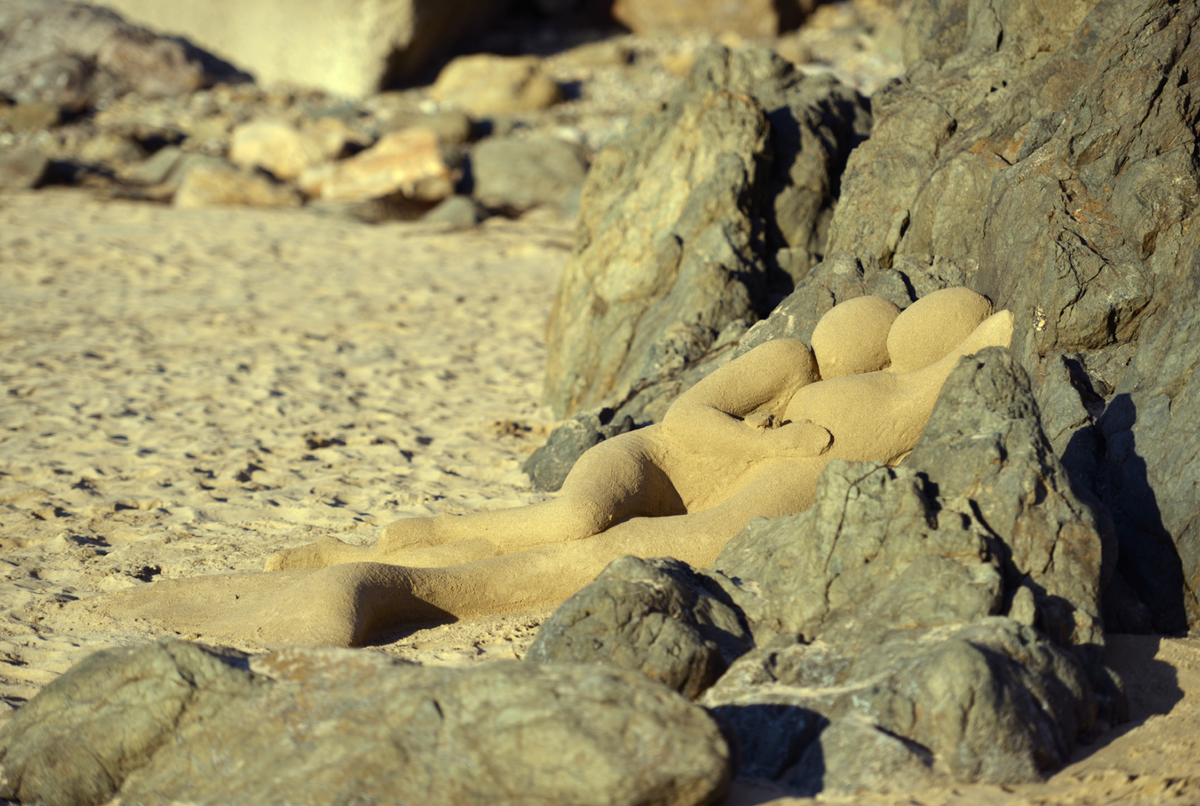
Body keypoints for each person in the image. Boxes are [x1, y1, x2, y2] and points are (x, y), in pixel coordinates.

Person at [106, 288, 1012, 648]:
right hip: (655, 459)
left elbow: (960, 362)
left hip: (715, 499)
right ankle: (396, 554)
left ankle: (390, 570)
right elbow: (687, 415)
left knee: (601, 551)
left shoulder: (880, 390)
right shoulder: (787, 365)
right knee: (574, 524)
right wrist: (765, 444)